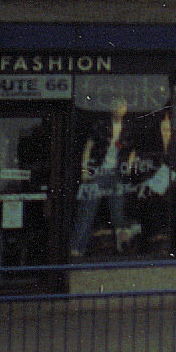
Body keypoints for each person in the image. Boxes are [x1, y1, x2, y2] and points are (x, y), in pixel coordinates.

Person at [69, 99, 135, 257]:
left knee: (118, 213)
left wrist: (129, 166)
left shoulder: (127, 128)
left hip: (116, 173)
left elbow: (132, 150)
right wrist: (85, 170)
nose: (119, 110)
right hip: (98, 171)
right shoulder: (101, 125)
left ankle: (122, 249)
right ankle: (76, 248)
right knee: (87, 211)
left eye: (122, 107)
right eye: (117, 107)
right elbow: (88, 147)